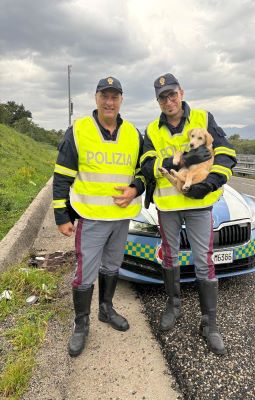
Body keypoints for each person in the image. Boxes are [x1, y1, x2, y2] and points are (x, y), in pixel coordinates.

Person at [141, 73, 237, 355]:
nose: (168, 101)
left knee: (203, 261)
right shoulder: (151, 129)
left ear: (181, 93)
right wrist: (170, 161)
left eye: (172, 94)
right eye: (162, 97)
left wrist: (209, 183)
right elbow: (147, 162)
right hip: (168, 207)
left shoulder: (203, 117)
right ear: (157, 101)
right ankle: (174, 306)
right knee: (169, 257)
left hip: (198, 205)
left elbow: (226, 153)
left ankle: (210, 323)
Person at [53, 76, 144, 357]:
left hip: (121, 217)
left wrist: (135, 189)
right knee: (84, 275)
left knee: (112, 266)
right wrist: (61, 215)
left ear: (121, 100)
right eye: (104, 96)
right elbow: (62, 175)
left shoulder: (133, 133)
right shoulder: (79, 130)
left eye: (114, 96)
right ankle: (81, 325)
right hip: (90, 217)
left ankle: (106, 309)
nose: (109, 101)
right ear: (95, 98)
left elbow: (143, 173)